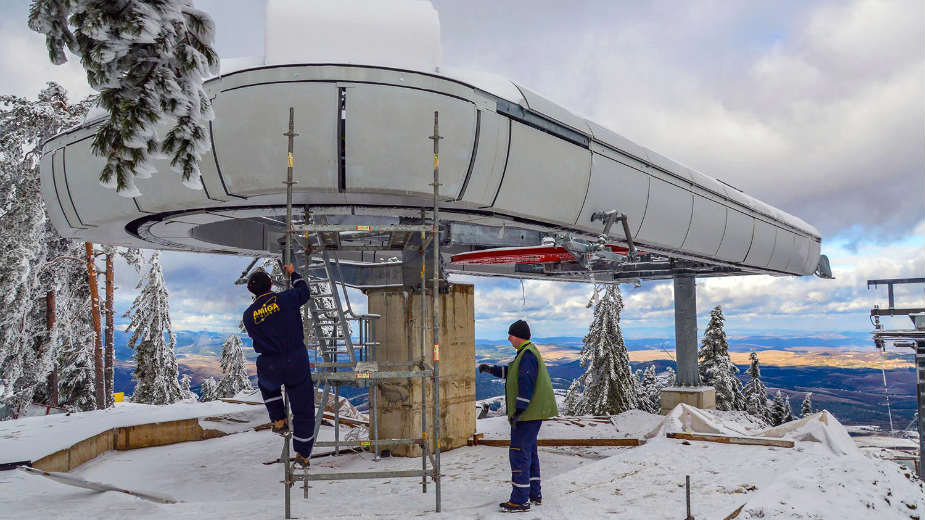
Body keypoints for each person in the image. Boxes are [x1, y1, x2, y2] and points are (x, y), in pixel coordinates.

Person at [479, 320, 558, 512]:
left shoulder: (527, 355)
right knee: (529, 452)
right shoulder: (525, 352)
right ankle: (533, 493)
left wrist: (519, 412)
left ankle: (520, 500)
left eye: (511, 334)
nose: (508, 338)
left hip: (527, 416)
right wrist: (491, 369)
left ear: (518, 335)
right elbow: (512, 372)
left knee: (518, 453)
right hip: (531, 415)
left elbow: (526, 384)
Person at [242, 264, 315, 467]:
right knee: (303, 406)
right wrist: (293, 274)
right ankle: (303, 452)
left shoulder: (248, 315)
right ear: (271, 283)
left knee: (268, 386)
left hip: (270, 360)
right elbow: (304, 292)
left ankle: (278, 419)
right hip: (295, 358)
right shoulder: (286, 299)